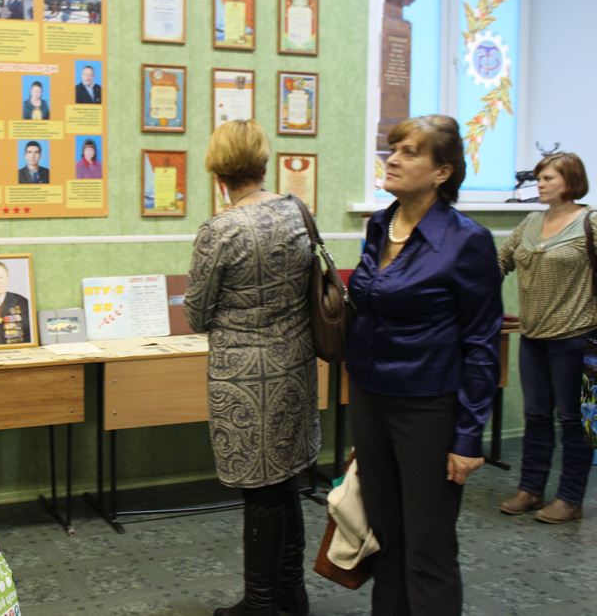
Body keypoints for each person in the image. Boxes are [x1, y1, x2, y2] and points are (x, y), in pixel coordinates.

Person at [347, 115, 501, 616]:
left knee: (428, 546)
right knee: (386, 537)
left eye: (409, 152)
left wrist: (468, 436)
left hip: (428, 410)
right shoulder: (379, 224)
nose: (392, 160)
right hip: (371, 400)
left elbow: (482, 342)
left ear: (442, 172)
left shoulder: (466, 240)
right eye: (393, 149)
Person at [184, 120, 317, 616]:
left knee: (260, 491)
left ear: (218, 168)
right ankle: (291, 593)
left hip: (243, 378)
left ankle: (260, 604)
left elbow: (197, 314)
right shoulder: (296, 212)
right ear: (262, 161)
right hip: (295, 366)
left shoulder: (220, 230)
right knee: (286, 480)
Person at [497, 152, 597, 523]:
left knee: (573, 419)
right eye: (539, 178)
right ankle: (530, 489)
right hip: (533, 337)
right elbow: (499, 262)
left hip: (576, 337)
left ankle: (570, 498)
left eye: (548, 178)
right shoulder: (530, 222)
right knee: (536, 414)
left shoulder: (593, 223)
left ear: (570, 181)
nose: (540, 184)